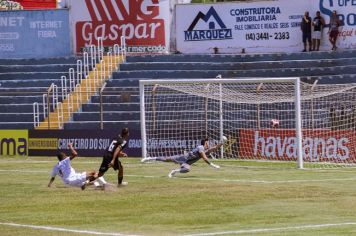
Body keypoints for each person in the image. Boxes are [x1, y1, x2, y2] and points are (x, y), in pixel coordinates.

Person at [141, 138, 224, 178]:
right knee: (166, 159)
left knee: (187, 169)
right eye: (207, 143)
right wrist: (213, 165)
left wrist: (221, 144)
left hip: (187, 162)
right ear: (204, 143)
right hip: (183, 158)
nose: (208, 144)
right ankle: (149, 158)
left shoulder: (205, 150)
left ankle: (173, 171)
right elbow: (205, 158)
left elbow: (214, 148)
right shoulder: (200, 148)